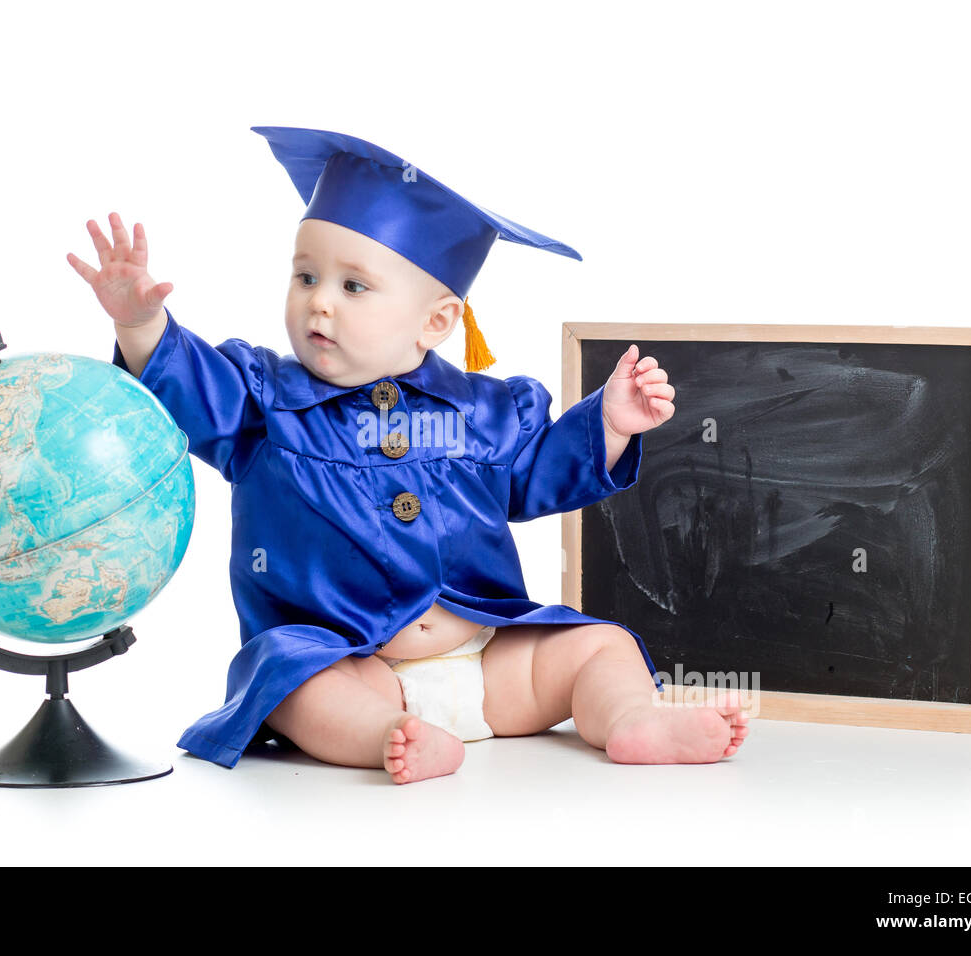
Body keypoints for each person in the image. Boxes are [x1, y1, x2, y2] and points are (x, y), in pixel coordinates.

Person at [67, 127, 749, 783]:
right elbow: (193, 394)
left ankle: (632, 717)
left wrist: (609, 423)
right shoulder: (261, 401)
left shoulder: (484, 411)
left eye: (352, 286)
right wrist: (140, 323)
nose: (319, 304)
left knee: (602, 645)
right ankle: (387, 739)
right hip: (352, 663)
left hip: (490, 659)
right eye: (306, 276)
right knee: (288, 675)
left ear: (437, 321)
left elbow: (538, 475)